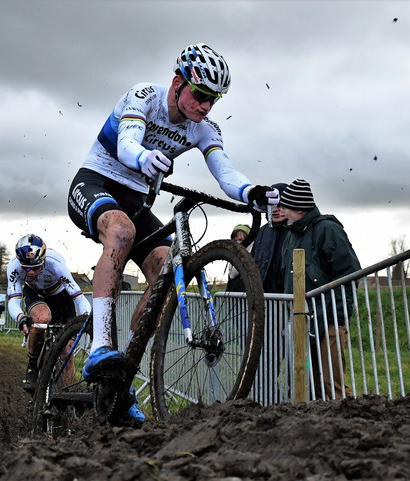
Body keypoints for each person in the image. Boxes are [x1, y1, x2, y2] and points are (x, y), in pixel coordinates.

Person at [66, 43, 280, 424]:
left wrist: (252, 193)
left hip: (135, 201)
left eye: (213, 100)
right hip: (97, 181)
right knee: (121, 231)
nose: (205, 107)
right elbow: (128, 141)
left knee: (166, 267)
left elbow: (224, 171)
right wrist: (143, 157)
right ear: (178, 82)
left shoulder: (203, 128)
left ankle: (122, 374)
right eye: (200, 95)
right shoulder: (143, 97)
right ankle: (100, 345)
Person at [279, 179, 361, 401]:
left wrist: (337, 318)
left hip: (328, 321)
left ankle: (344, 427)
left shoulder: (328, 230)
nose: (281, 211)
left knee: (330, 386)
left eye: (285, 206)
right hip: (299, 323)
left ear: (298, 208)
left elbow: (349, 273)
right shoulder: (291, 236)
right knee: (305, 385)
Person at [6, 234, 91, 394]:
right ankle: (32, 367)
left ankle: (67, 393)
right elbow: (13, 300)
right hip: (35, 294)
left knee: (67, 350)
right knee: (41, 319)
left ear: (44, 260)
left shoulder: (56, 264)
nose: (30, 273)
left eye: (35, 268)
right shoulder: (13, 267)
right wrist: (21, 317)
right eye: (26, 268)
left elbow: (79, 298)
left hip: (61, 297)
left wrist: (87, 318)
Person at [252, 182, 290, 294]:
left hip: (291, 303)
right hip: (265, 303)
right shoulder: (261, 232)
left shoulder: (298, 231)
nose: (275, 209)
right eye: (271, 206)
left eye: (280, 205)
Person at [226, 224, 252, 291]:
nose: (237, 243)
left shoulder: (250, 255)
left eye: (240, 240)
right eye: (235, 240)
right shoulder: (233, 255)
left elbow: (233, 274)